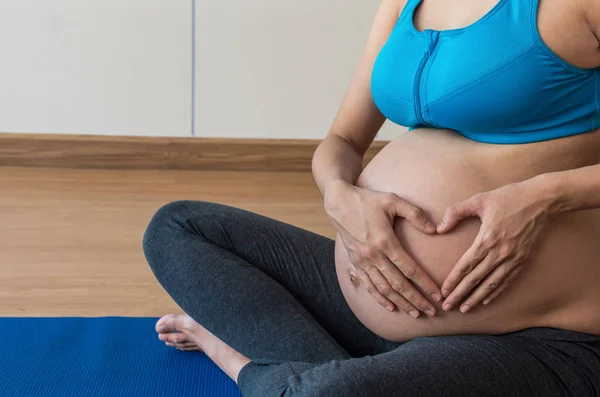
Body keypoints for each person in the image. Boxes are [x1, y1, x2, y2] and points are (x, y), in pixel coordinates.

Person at [142, 0, 600, 395]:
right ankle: (369, 372)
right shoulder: (404, 5)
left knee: (325, 394)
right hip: (387, 289)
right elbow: (340, 141)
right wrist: (340, 196)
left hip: (543, 338)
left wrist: (546, 195)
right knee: (177, 227)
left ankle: (240, 358)